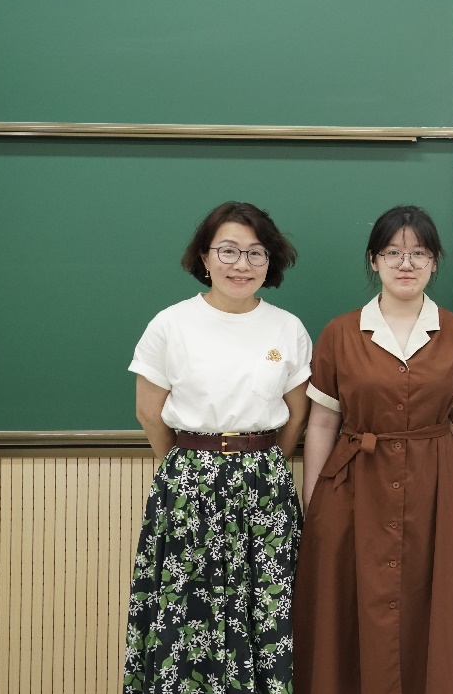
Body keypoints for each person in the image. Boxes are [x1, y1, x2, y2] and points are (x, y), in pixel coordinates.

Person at [293, 206, 453, 694]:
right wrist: (315, 501)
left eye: (418, 253)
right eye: (393, 252)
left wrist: (426, 451)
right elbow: (322, 421)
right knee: (354, 606)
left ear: (435, 262)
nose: (406, 263)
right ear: (374, 260)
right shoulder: (340, 332)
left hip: (435, 490)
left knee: (431, 604)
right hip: (353, 487)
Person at [123, 201, 312, 694]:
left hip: (265, 485)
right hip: (189, 484)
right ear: (205, 258)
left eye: (255, 253)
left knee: (266, 607)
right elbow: (148, 411)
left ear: (270, 262)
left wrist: (264, 462)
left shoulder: (287, 328)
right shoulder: (171, 324)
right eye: (228, 250)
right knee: (189, 610)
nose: (241, 264)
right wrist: (186, 465)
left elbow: (297, 414)